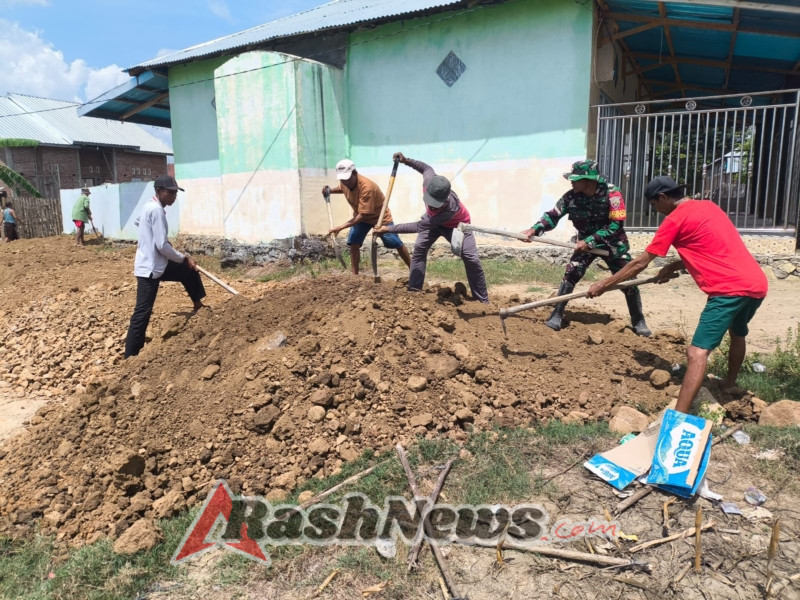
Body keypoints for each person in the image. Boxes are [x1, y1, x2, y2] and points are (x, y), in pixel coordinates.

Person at [587, 176, 768, 414]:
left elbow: (640, 263)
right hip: (756, 284)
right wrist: (674, 266)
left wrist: (604, 284)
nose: (656, 211)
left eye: (655, 205)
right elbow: (709, 247)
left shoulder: (674, 220)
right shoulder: (708, 207)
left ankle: (678, 417)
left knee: (696, 352)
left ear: (663, 197)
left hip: (727, 290)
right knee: (737, 332)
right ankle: (730, 384)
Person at [521, 160, 650, 335]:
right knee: (571, 273)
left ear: (588, 180)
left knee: (627, 281)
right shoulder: (571, 196)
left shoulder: (612, 194)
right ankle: (557, 313)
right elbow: (553, 216)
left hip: (612, 245)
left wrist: (590, 240)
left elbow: (615, 226)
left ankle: (638, 321)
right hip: (585, 246)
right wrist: (534, 229)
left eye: (575, 179)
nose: (571, 182)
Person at [374, 152, 489, 303]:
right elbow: (425, 167)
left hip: (457, 226)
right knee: (419, 249)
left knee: (471, 258)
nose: (432, 207)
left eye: (436, 205)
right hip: (431, 222)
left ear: (445, 199)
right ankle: (414, 291)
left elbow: (418, 226)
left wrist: (388, 229)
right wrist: (405, 160)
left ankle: (482, 301)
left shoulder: (450, 209)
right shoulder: (429, 180)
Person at [124, 175, 206, 358]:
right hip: (150, 270)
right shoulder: (156, 210)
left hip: (157, 264)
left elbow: (138, 221)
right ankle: (130, 356)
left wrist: (147, 234)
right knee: (142, 313)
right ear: (158, 191)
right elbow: (162, 245)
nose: (173, 196)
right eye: (170, 192)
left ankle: (198, 305)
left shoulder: (150, 206)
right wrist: (184, 258)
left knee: (188, 272)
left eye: (175, 193)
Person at [324, 159, 411, 275]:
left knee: (395, 243)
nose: (345, 182)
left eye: (348, 179)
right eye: (342, 179)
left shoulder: (367, 187)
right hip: (362, 218)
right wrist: (330, 191)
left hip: (379, 218)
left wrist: (340, 227)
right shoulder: (345, 181)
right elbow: (342, 188)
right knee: (353, 242)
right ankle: (355, 276)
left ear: (355, 173)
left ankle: (414, 270)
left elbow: (362, 215)